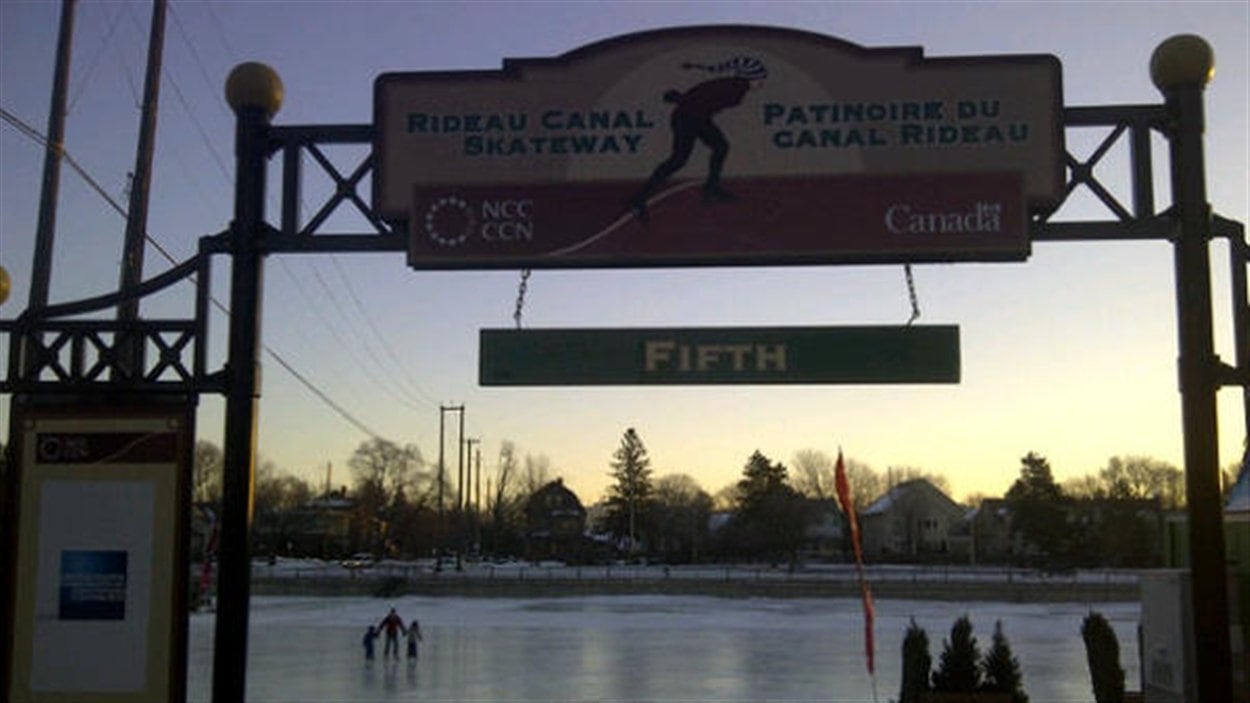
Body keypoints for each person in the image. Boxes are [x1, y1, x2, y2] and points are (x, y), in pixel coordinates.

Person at [628, 55, 768, 224]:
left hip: (698, 117)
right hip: (688, 118)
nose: (761, 83)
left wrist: (680, 97)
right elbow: (702, 97)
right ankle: (639, 198)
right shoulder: (733, 90)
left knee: (720, 147)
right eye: (760, 79)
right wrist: (680, 99)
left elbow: (704, 96)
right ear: (750, 78)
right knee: (679, 160)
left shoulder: (735, 88)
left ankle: (711, 188)